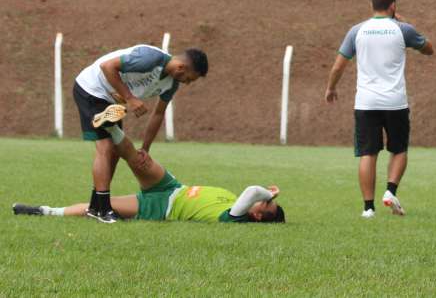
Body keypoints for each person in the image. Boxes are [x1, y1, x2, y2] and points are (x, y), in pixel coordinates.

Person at [13, 106, 283, 224]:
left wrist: (269, 194)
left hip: (162, 207)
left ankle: (43, 211)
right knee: (138, 159)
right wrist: (267, 198)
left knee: (97, 206)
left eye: (265, 205)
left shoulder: (233, 218)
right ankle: (112, 126)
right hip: (173, 187)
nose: (263, 201)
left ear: (257, 216)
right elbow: (250, 195)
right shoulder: (232, 200)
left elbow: (253, 191)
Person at [325, 0, 433, 219]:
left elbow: (338, 66)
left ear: (371, 6)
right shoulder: (402, 29)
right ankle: (390, 191)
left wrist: (331, 88)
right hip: (395, 102)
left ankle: (368, 208)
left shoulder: (357, 31)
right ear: (393, 6)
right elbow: (428, 49)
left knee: (368, 153)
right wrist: (406, 24)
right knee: (399, 149)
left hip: (366, 103)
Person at [72, 44, 208, 223]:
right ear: (181, 68)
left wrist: (145, 148)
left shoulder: (171, 84)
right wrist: (130, 98)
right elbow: (107, 66)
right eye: (188, 79)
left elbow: (158, 114)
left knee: (115, 151)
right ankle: (103, 209)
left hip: (110, 100)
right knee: (106, 147)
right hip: (91, 88)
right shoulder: (149, 58)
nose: (187, 83)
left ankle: (95, 207)